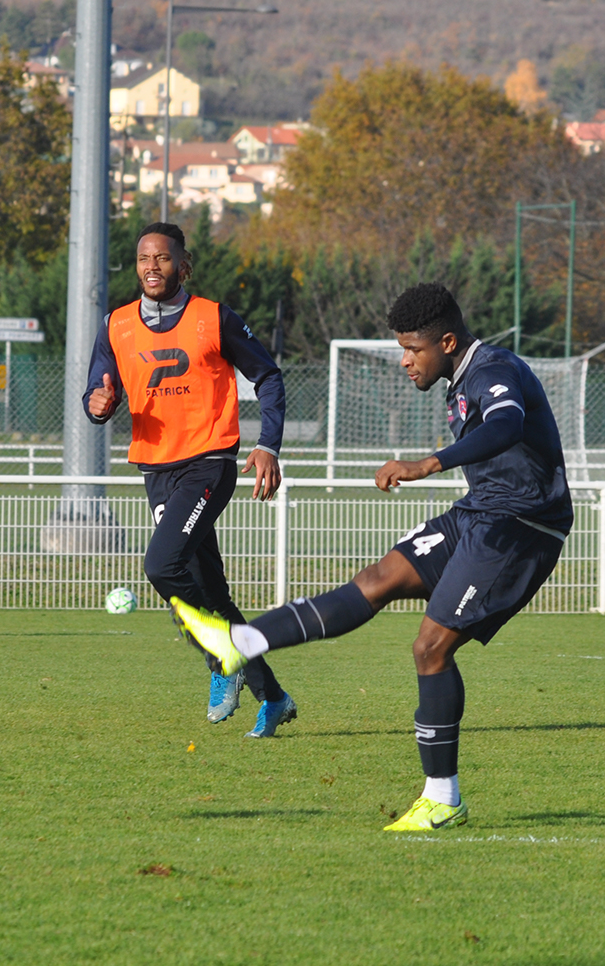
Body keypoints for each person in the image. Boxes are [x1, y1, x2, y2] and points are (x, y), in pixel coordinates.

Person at [172, 282, 571, 831]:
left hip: (521, 527)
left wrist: (428, 464)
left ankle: (442, 796)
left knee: (430, 647)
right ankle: (245, 642)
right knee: (379, 578)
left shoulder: (492, 369)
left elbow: (507, 425)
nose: (406, 362)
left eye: (413, 350)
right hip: (480, 513)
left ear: (448, 342)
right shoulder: (461, 377)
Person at [83, 221, 297, 737]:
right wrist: (99, 405)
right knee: (208, 590)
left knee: (161, 565)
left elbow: (268, 375)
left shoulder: (213, 319)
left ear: (184, 266)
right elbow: (97, 391)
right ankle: (273, 696)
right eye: (142, 259)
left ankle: (220, 661)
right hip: (155, 469)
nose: (151, 266)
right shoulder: (115, 325)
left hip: (208, 464)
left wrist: (268, 444)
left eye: (161, 258)